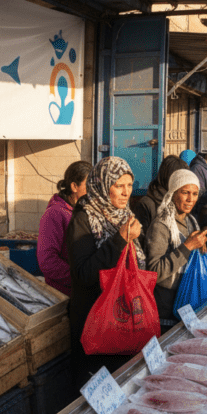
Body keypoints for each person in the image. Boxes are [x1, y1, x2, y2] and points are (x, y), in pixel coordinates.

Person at [66, 156, 145, 384]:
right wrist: (120, 240)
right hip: (95, 323)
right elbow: (83, 273)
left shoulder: (127, 216)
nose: (125, 192)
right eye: (118, 185)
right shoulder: (83, 219)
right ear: (102, 185)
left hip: (124, 320)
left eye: (129, 185)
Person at [144, 169, 207, 333]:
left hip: (187, 301)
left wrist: (201, 247)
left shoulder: (191, 222)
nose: (190, 199)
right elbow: (154, 271)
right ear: (173, 193)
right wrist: (187, 247)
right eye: (185, 192)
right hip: (166, 307)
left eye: (195, 194)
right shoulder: (161, 225)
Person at [37, 161, 91, 296]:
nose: (94, 190)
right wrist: (80, 278)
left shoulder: (85, 210)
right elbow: (47, 261)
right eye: (89, 185)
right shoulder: (55, 214)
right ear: (74, 186)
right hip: (65, 294)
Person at [131, 155, 188, 245]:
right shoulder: (146, 204)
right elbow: (141, 243)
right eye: (180, 180)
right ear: (169, 178)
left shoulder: (180, 201)